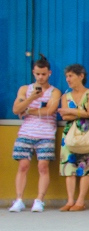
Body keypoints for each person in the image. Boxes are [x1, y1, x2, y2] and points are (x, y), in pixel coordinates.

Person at [9, 54, 61, 213]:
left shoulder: (54, 91)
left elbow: (50, 110)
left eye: (43, 74)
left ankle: (40, 199)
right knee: (23, 165)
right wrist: (32, 97)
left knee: (43, 166)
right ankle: (19, 199)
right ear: (33, 72)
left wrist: (28, 110)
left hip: (46, 133)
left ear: (49, 73)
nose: (40, 77)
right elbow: (16, 109)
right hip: (26, 132)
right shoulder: (25, 89)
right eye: (37, 74)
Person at [58, 64, 89, 211]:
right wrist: (84, 111)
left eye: (71, 76)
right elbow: (64, 116)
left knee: (86, 166)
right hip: (70, 133)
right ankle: (70, 200)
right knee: (68, 166)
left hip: (87, 132)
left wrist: (70, 110)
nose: (68, 79)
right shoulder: (65, 96)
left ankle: (80, 201)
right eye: (66, 76)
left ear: (81, 76)